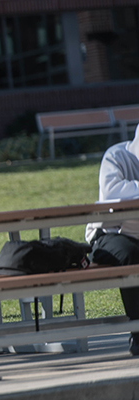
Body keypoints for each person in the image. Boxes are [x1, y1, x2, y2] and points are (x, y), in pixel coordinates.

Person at [86, 128, 139, 356]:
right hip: (109, 234)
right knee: (131, 255)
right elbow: (111, 193)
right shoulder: (116, 156)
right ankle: (138, 334)